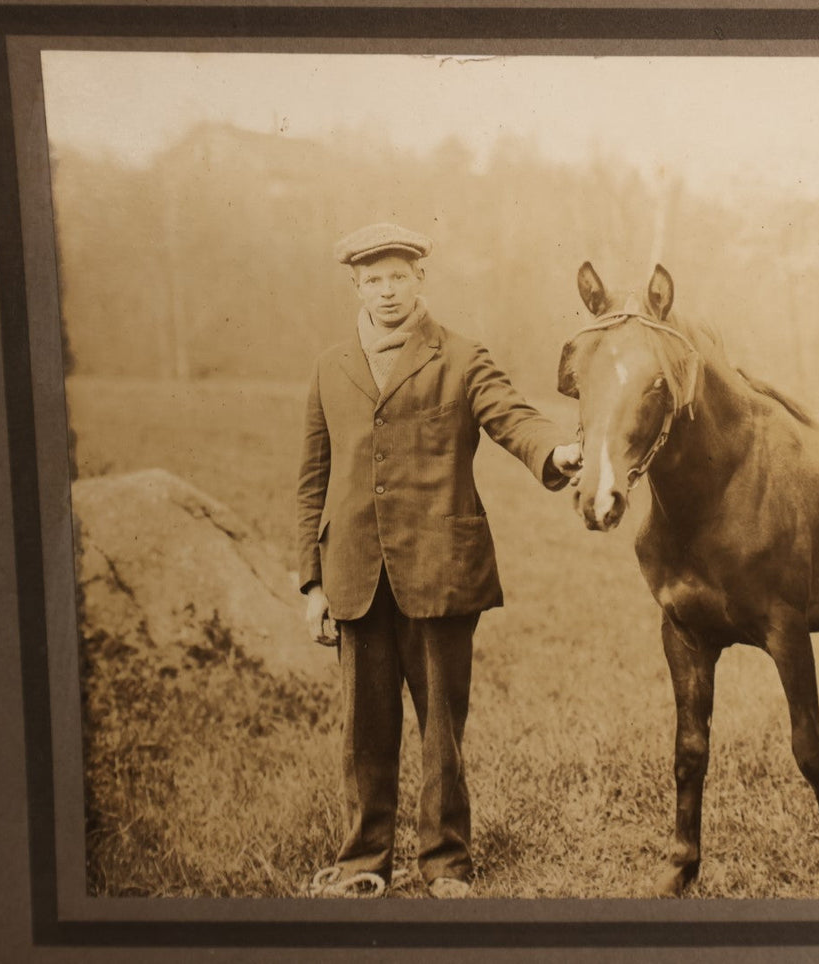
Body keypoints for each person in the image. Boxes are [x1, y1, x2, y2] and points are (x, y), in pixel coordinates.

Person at [296, 223, 581, 899]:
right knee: (362, 730)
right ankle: (363, 862)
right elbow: (312, 479)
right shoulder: (331, 365)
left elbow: (511, 413)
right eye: (373, 280)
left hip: (441, 573)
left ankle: (445, 864)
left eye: (398, 276)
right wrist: (311, 581)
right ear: (356, 286)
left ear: (420, 279)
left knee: (441, 731)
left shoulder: (459, 355)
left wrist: (554, 452)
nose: (387, 291)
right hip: (354, 575)